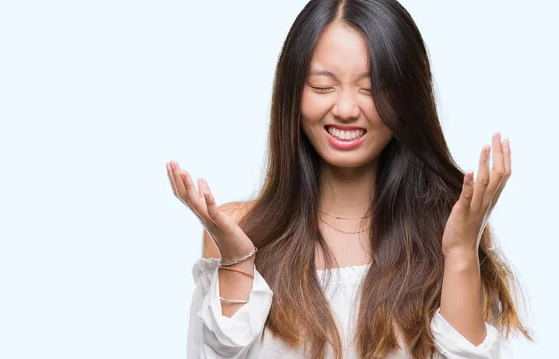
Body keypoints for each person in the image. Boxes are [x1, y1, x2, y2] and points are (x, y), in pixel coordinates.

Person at [167, 0, 533, 357]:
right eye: (323, 86)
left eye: (371, 88)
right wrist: (237, 262)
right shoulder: (238, 229)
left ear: (408, 98)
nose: (344, 109)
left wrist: (459, 256)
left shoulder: (448, 233)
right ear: (292, 93)